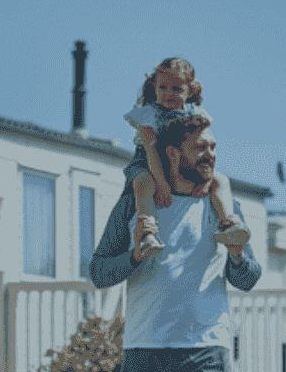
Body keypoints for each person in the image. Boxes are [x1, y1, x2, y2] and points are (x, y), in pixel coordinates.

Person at [86, 114, 261, 371]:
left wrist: (237, 256)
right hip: (144, 349)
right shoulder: (135, 204)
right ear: (173, 153)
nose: (210, 155)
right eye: (200, 148)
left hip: (207, 349)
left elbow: (248, 279)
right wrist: (135, 257)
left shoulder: (224, 208)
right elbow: (99, 274)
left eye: (213, 148)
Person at [123, 58, 250, 260]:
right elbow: (151, 150)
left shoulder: (195, 114)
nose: (168, 94)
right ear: (154, 87)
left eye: (176, 89)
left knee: (221, 180)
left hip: (183, 162)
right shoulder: (149, 115)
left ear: (189, 90)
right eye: (163, 87)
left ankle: (229, 223)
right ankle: (148, 233)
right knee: (143, 183)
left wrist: (206, 181)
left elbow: (205, 148)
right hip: (149, 161)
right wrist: (162, 183)